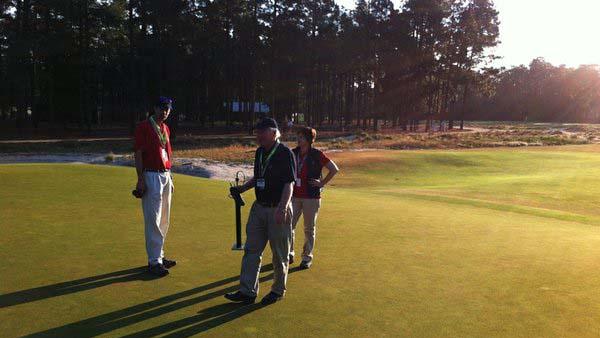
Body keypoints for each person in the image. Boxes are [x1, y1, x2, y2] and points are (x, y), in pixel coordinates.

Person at [225, 117, 296, 305]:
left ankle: (278, 290)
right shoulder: (259, 153)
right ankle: (247, 291)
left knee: (279, 253)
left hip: (278, 208)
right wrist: (242, 189)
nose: (258, 135)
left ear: (273, 133)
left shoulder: (284, 153)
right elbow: (259, 177)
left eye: (262, 132)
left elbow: (289, 183)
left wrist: (282, 208)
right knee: (251, 250)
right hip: (260, 207)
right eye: (257, 132)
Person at [133, 96, 177, 277]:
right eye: (161, 108)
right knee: (153, 219)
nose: (164, 111)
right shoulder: (144, 126)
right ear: (155, 108)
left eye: (167, 109)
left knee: (164, 218)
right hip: (150, 175)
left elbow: (166, 153)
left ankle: (160, 255)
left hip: (165, 175)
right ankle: (154, 262)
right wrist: (140, 179)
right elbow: (138, 153)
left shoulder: (165, 128)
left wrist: (170, 176)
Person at [290, 127, 339, 269]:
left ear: (309, 140)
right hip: (293, 196)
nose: (298, 140)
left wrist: (322, 183)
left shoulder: (317, 154)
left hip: (311, 197)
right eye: (298, 137)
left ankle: (306, 257)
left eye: (302, 137)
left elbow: (334, 169)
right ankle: (289, 254)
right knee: (289, 226)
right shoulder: (293, 153)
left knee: (309, 229)